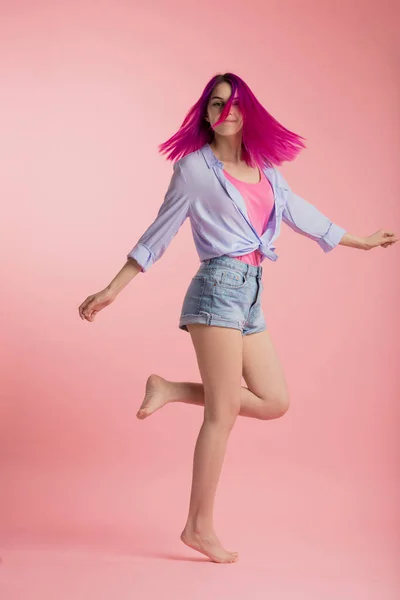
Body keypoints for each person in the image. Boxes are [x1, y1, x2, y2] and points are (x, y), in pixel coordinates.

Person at [78, 73, 398, 564]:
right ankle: (197, 526)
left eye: (232, 103)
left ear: (248, 111)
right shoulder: (193, 170)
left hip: (251, 292)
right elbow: (158, 232)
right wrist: (112, 289)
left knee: (274, 400)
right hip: (216, 289)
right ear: (205, 114)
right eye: (214, 104)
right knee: (222, 415)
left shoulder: (266, 168)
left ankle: (171, 389)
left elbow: (301, 213)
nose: (223, 111)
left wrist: (360, 240)